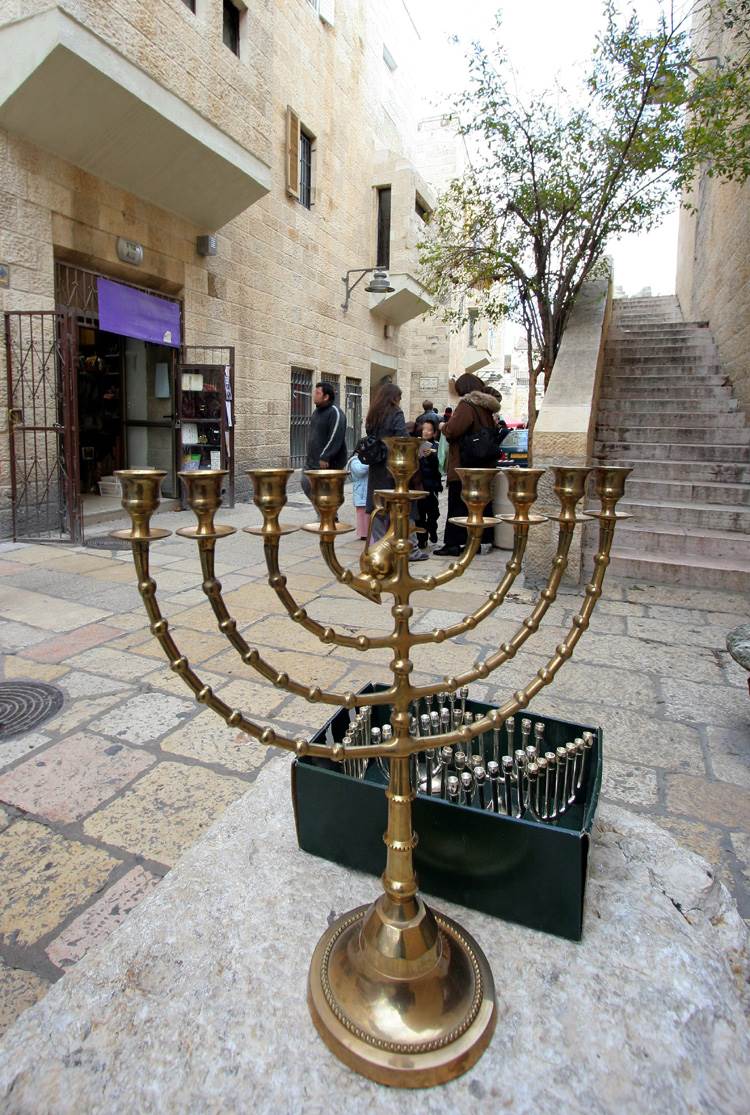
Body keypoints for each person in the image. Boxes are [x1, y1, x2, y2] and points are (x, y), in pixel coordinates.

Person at [434, 372, 501, 556]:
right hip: (482, 464)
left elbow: (453, 430)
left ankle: (453, 544)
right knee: (479, 504)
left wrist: (443, 427)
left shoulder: (467, 405)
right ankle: (479, 541)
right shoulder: (486, 407)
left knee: (457, 503)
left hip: (464, 464)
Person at [364, 382, 428, 560]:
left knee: (378, 507)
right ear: (394, 398)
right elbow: (402, 437)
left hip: (376, 465)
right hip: (393, 465)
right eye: (399, 397)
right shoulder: (395, 412)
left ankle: (380, 548)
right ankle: (411, 549)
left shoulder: (373, 413)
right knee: (403, 505)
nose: (399, 401)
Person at [301, 381, 347, 505]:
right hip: (312, 463)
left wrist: (326, 456)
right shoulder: (316, 412)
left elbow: (336, 436)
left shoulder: (335, 412)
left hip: (328, 464)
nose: (314, 396)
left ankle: (329, 514)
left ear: (326, 397)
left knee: (326, 494)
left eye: (317, 393)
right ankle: (323, 512)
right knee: (305, 482)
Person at [414, 419, 442, 550]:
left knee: (433, 512)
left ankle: (432, 529)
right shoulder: (416, 444)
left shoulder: (436, 446)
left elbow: (439, 467)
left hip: (431, 485)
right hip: (419, 484)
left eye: (429, 430)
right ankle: (422, 539)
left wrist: (431, 456)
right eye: (424, 429)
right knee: (420, 514)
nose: (426, 432)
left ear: (434, 432)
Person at [348, 453, 369, 539]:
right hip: (360, 493)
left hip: (366, 492)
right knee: (362, 515)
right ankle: (363, 534)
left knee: (367, 515)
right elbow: (360, 471)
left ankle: (367, 532)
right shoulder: (354, 460)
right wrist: (370, 463)